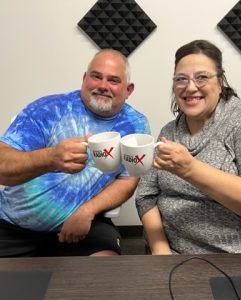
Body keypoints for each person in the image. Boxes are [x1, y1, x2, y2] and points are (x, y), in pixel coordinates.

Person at [135, 39, 241, 254]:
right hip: (180, 257)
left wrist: (189, 169)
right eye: (181, 79)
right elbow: (145, 196)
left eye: (202, 77)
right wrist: (161, 252)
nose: (190, 86)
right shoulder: (169, 132)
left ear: (220, 81)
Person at [0, 49, 150, 257]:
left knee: (108, 272)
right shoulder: (49, 109)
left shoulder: (135, 124)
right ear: (84, 78)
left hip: (82, 224)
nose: (103, 86)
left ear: (128, 89)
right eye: (96, 76)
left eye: (113, 80)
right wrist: (51, 158)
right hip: (12, 225)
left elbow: (128, 180)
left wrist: (87, 211)